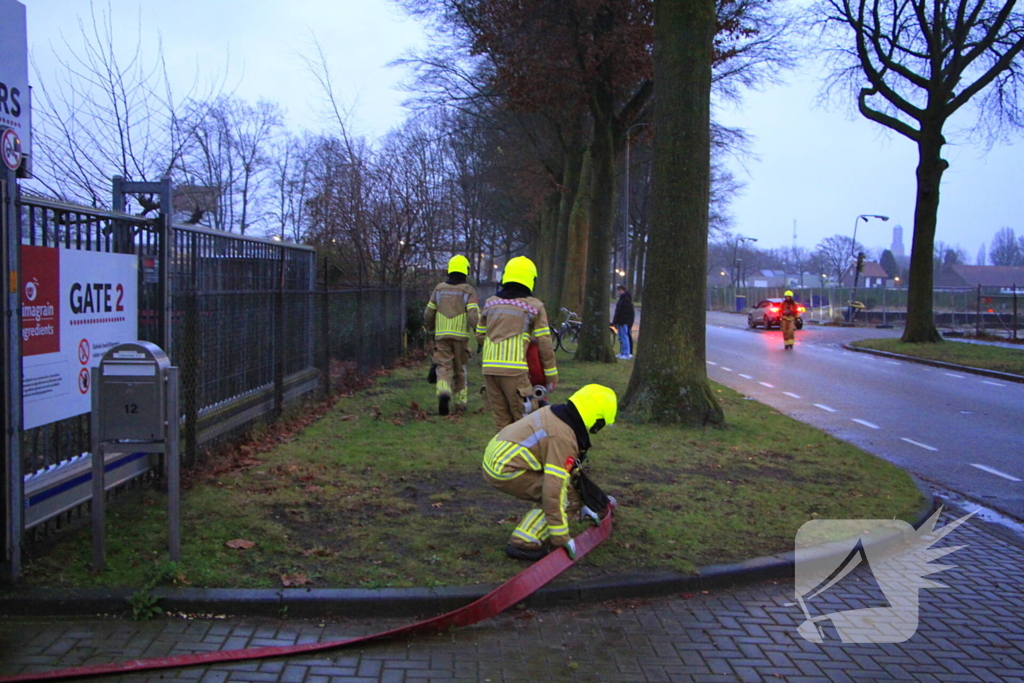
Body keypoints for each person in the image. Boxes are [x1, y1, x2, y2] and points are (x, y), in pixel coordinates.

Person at [482, 384, 617, 561]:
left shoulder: (557, 415)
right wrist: (562, 538)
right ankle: (525, 540)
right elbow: (555, 488)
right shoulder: (563, 436)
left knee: (568, 493)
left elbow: (569, 472)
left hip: (497, 458)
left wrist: (587, 501)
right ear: (596, 419)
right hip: (505, 469)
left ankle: (532, 531)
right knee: (567, 497)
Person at [476, 256, 557, 430]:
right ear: (530, 279)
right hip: (514, 371)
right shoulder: (534, 306)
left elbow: (480, 335)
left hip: (489, 370)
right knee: (525, 423)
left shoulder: (490, 303)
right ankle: (523, 457)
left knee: (501, 423)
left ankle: (501, 456)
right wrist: (551, 376)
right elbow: (545, 343)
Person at [424, 255, 480, 415]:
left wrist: (430, 327)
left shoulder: (439, 288)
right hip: (461, 337)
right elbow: (473, 314)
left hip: (441, 336)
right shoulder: (468, 290)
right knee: (460, 369)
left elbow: (429, 312)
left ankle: (443, 391)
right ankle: (461, 403)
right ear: (466, 271)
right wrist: (479, 331)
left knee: (443, 366)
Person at [612, 285, 635, 359]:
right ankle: (623, 352)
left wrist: (621, 320)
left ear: (623, 290)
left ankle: (626, 353)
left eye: (620, 290)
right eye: (618, 290)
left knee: (624, 337)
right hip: (621, 321)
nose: (619, 292)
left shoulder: (625, 300)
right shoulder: (622, 299)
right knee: (621, 337)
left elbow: (625, 312)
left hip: (624, 322)